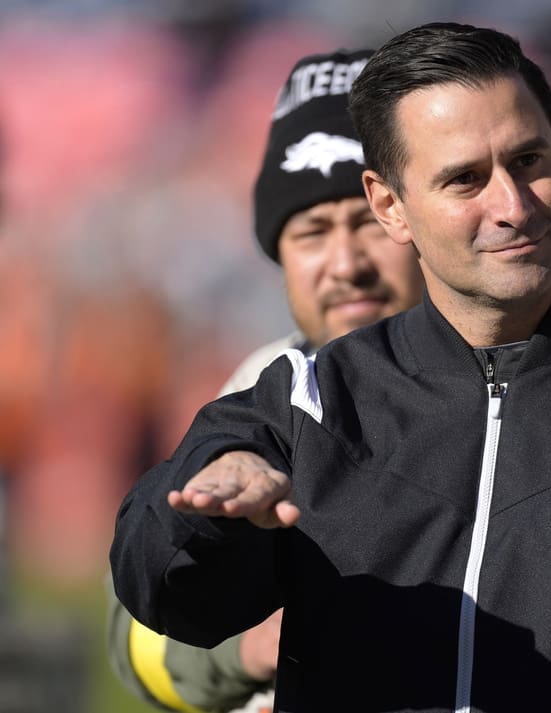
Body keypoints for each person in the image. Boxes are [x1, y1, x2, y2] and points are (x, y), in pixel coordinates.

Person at [110, 22, 551, 713]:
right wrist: (216, 518)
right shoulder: (299, 396)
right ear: (396, 205)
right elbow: (155, 595)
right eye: (465, 179)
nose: (512, 206)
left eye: (529, 161)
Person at [106, 47, 424, 713]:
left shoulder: (514, 382)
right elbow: (136, 636)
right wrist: (254, 643)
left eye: (368, 222)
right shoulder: (262, 380)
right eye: (311, 230)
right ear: (277, 253)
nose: (346, 263)